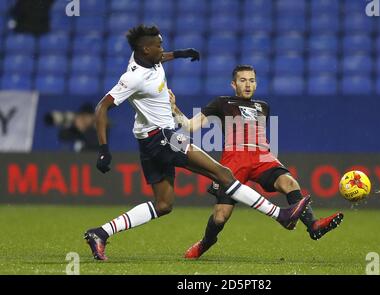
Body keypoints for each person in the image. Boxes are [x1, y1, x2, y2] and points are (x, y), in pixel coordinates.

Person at [84, 25, 310, 261]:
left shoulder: (149, 58)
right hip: (163, 137)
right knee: (223, 174)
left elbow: (162, 57)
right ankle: (280, 215)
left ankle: (100, 233)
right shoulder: (133, 78)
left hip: (148, 140)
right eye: (159, 46)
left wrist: (180, 54)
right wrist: (103, 149)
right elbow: (102, 107)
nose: (163, 50)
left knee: (163, 204)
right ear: (145, 49)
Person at [170, 65, 344, 259]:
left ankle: (313, 225)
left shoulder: (263, 106)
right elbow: (190, 126)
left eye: (252, 80)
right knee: (220, 216)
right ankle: (206, 242)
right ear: (233, 84)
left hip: (262, 156)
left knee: (290, 183)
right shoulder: (221, 103)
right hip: (234, 159)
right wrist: (175, 109)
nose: (248, 85)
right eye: (243, 80)